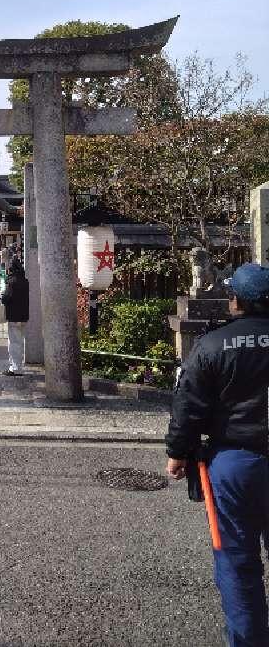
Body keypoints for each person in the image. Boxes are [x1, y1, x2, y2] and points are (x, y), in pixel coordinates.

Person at [166, 263, 269, 646]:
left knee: (237, 561)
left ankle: (248, 640)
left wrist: (177, 451)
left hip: (235, 460)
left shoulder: (214, 344)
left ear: (237, 301)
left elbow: (189, 404)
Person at [1, 258, 29, 376]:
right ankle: (16, 366)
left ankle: (16, 368)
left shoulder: (12, 282)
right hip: (23, 315)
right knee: (19, 341)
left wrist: (2, 296)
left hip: (14, 316)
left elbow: (6, 298)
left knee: (14, 343)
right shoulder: (25, 281)